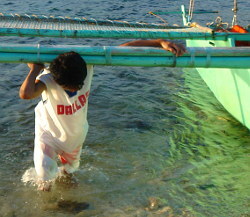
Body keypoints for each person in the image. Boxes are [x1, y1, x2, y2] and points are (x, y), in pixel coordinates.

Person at [19, 39, 185, 191]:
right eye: (69, 87)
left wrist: (159, 43)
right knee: (44, 176)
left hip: (75, 135)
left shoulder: (87, 67)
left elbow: (123, 49)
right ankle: (49, 207)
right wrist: (35, 70)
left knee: (69, 172)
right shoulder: (48, 79)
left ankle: (68, 197)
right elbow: (26, 94)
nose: (75, 89)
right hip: (49, 134)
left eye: (79, 85)